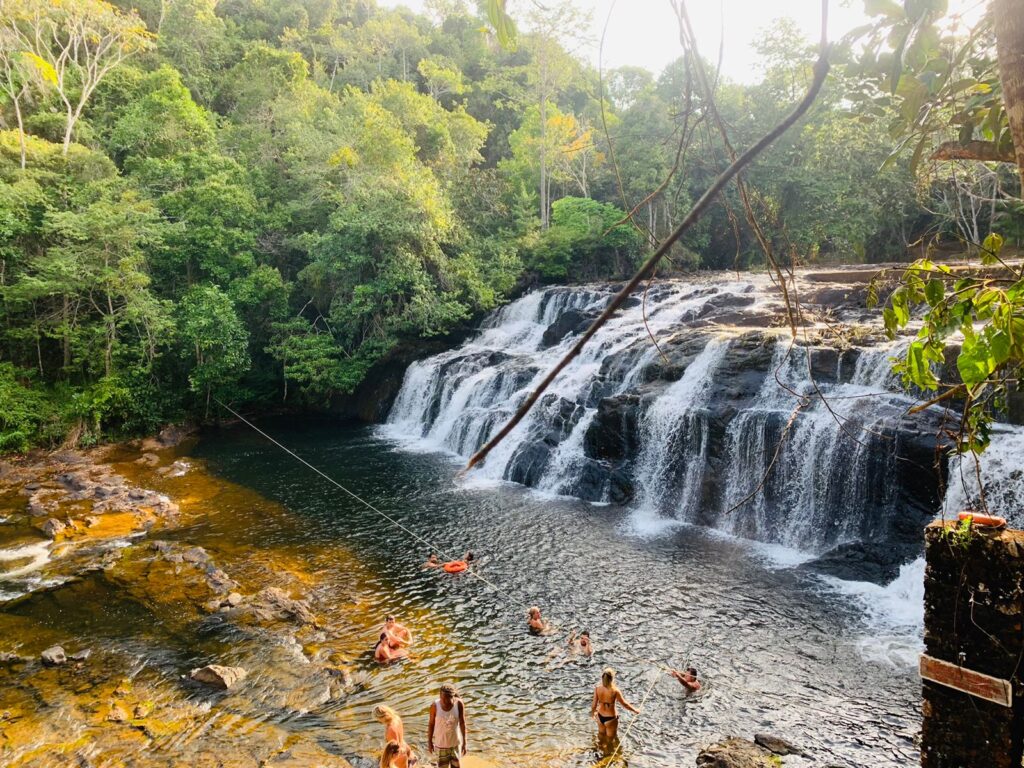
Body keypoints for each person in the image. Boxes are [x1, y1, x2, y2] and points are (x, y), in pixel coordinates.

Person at [590, 667, 639, 743]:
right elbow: (625, 704)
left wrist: (593, 714)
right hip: (610, 718)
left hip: (599, 716)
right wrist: (635, 710)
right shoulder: (615, 691)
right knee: (610, 739)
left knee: (601, 734)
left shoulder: (597, 689)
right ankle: (608, 750)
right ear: (612, 679)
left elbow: (594, 704)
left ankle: (599, 747)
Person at [428, 683, 467, 768]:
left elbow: (462, 723)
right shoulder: (435, 706)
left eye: (447, 700)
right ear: (439, 696)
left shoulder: (459, 704)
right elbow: (431, 724)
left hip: (455, 744)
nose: (444, 702)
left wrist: (465, 742)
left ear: (453, 697)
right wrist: (430, 742)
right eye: (442, 699)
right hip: (440, 745)